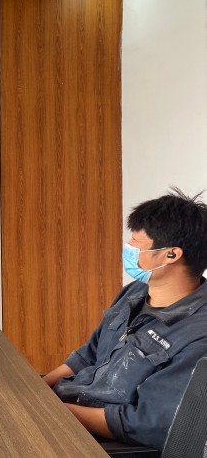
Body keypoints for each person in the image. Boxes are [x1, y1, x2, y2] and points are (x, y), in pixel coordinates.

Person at [43, 188, 207, 450]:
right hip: (69, 404)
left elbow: (147, 423)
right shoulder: (136, 292)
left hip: (100, 437)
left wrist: (55, 413)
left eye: (136, 244)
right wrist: (40, 389)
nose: (128, 248)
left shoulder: (198, 335)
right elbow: (89, 354)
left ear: (171, 255)